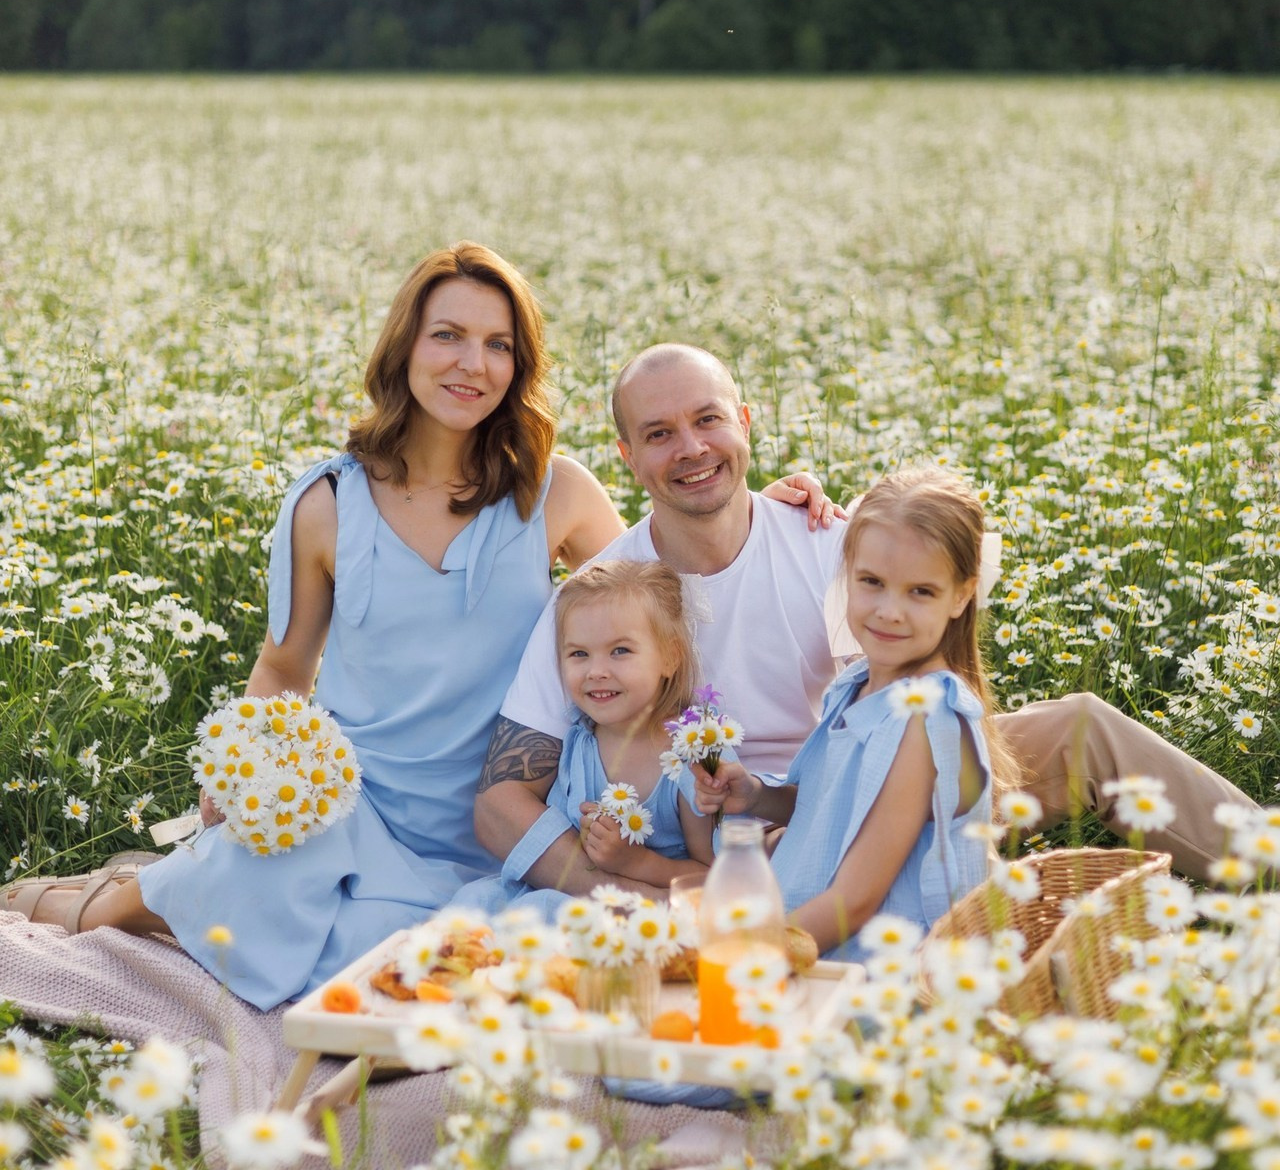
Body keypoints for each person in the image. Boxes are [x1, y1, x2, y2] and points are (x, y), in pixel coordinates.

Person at [0, 253, 825, 1009]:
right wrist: (238, 775)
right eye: (448, 336)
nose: (472, 363)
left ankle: (164, 888)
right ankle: (89, 906)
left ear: (518, 366)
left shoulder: (557, 492)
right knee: (240, 875)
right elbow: (284, 667)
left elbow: (647, 597)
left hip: (492, 829)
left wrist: (780, 504)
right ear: (405, 347)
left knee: (402, 958)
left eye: (498, 345)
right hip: (345, 809)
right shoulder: (326, 503)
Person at [475, 343, 1258, 891]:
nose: (691, 448)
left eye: (707, 420)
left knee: (1082, 726)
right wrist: (630, 894)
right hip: (753, 841)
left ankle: (1263, 861)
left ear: (744, 420)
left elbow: (921, 697)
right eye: (659, 434)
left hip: (868, 780)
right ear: (627, 457)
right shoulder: (600, 597)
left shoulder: (826, 539)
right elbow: (501, 803)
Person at [695, 467, 1016, 959]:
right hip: (803, 939)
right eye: (872, 582)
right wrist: (758, 795)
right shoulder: (856, 685)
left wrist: (742, 958)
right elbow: (831, 808)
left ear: (962, 595)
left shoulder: (925, 717)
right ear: (846, 575)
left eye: (920, 591)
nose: (889, 610)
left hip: (873, 969)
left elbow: (856, 900)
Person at [451, 558, 715, 919]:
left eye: (620, 651)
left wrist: (636, 862)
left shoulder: (689, 755)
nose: (596, 671)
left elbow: (711, 879)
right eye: (579, 654)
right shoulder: (577, 738)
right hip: (555, 890)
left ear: (670, 657)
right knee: (473, 902)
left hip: (639, 914)